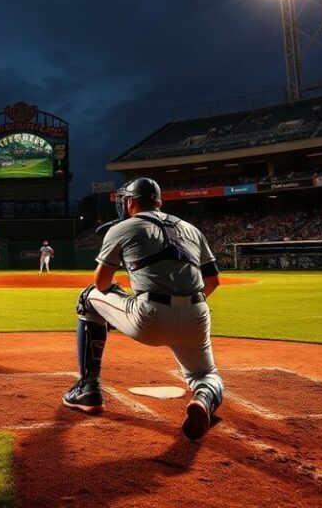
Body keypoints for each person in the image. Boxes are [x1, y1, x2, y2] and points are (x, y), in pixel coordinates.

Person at [62, 177, 223, 441]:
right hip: (197, 314)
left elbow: (100, 283)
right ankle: (203, 400)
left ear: (130, 202)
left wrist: (121, 294)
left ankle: (88, 388)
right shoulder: (191, 228)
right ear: (159, 202)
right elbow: (213, 281)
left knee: (88, 297)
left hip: (149, 317)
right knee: (205, 375)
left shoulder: (123, 227)